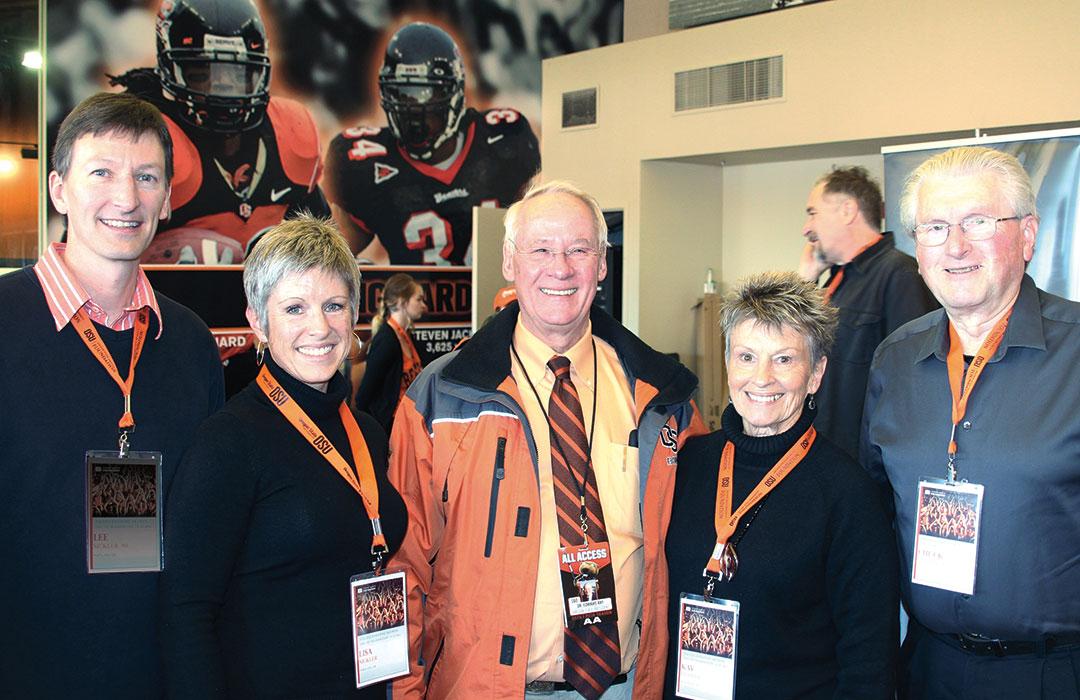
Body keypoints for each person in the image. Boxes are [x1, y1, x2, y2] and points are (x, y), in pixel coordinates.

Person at [387, 180, 705, 699]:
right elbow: (404, 567)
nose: (560, 268)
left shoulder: (661, 399)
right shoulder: (442, 399)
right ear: (510, 262)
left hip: (625, 687)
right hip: (486, 688)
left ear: (602, 265)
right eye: (540, 249)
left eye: (579, 250)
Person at [0, 92, 224, 696]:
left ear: (168, 198)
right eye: (101, 172)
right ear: (57, 190)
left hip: (159, 674)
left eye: (146, 177)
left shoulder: (190, 343)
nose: (126, 199)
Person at [861, 146, 1080, 698]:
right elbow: (876, 508)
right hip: (927, 666)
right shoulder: (895, 360)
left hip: (1052, 673)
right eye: (934, 227)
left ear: (1027, 235)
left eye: (978, 222)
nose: (954, 246)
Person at [159, 214, 408, 696]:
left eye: (334, 305)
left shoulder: (369, 434)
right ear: (258, 321)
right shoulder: (229, 441)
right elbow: (185, 612)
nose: (319, 327)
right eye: (295, 308)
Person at [664, 271, 898, 699]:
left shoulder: (847, 494)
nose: (762, 378)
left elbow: (868, 660)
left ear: (816, 374)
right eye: (747, 357)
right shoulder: (687, 464)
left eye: (784, 359)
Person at [110, 0, 330, 264]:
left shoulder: (289, 133)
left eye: (238, 75)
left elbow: (324, 247)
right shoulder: (142, 135)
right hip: (162, 298)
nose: (223, 89)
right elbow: (91, 257)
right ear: (169, 69)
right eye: (203, 74)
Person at [324, 21, 540, 265]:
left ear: (456, 95)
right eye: (401, 94)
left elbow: (540, 233)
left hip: (493, 301)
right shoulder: (366, 164)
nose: (413, 107)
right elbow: (330, 255)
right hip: (414, 302)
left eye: (425, 93)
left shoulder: (503, 139)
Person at [798, 166, 937, 458]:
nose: (806, 228)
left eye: (813, 213)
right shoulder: (837, 279)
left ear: (848, 210)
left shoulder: (899, 275)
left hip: (865, 465)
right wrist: (805, 281)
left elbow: (914, 386)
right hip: (824, 454)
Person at [355, 272, 428, 433]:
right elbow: (364, 397)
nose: (424, 305)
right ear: (402, 302)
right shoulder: (386, 340)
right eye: (419, 299)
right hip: (392, 429)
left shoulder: (407, 335)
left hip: (409, 422)